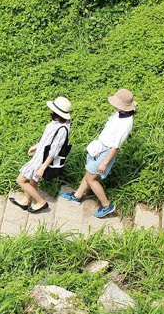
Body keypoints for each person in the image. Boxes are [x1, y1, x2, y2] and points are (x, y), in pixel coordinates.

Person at [58, 88, 136, 217]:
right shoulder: (120, 114)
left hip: (106, 152)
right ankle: (77, 195)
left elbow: (115, 147)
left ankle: (106, 205)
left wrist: (104, 163)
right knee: (89, 173)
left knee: (91, 179)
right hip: (100, 147)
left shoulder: (126, 124)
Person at [11, 96, 72, 214]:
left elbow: (54, 151)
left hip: (42, 161)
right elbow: (48, 139)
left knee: (21, 180)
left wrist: (43, 167)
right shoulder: (57, 122)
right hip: (39, 156)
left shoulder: (62, 130)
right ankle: (26, 200)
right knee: (33, 180)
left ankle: (41, 202)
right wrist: (37, 146)